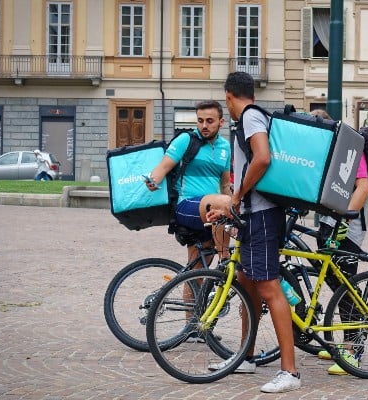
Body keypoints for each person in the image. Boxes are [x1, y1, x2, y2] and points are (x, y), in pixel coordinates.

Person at [207, 71, 301, 393]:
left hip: (262, 216)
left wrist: (238, 195)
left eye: (226, 101)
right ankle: (245, 358)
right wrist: (233, 206)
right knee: (247, 286)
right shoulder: (250, 116)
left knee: (269, 289)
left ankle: (290, 371)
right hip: (253, 215)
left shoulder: (249, 117)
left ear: (229, 97)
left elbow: (262, 158)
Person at [312, 109, 368, 375]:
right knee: (335, 281)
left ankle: (354, 350)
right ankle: (345, 340)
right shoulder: (324, 150)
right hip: (329, 223)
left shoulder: (348, 147)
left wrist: (344, 222)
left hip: (348, 227)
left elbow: (364, 187)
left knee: (347, 285)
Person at [145, 100, 232, 262]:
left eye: (210, 121)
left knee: (196, 277)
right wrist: (153, 180)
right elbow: (163, 167)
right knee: (223, 203)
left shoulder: (225, 147)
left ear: (221, 122)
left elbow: (225, 184)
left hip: (211, 213)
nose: (204, 125)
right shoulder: (186, 139)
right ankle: (225, 261)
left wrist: (235, 204)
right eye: (200, 121)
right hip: (186, 205)